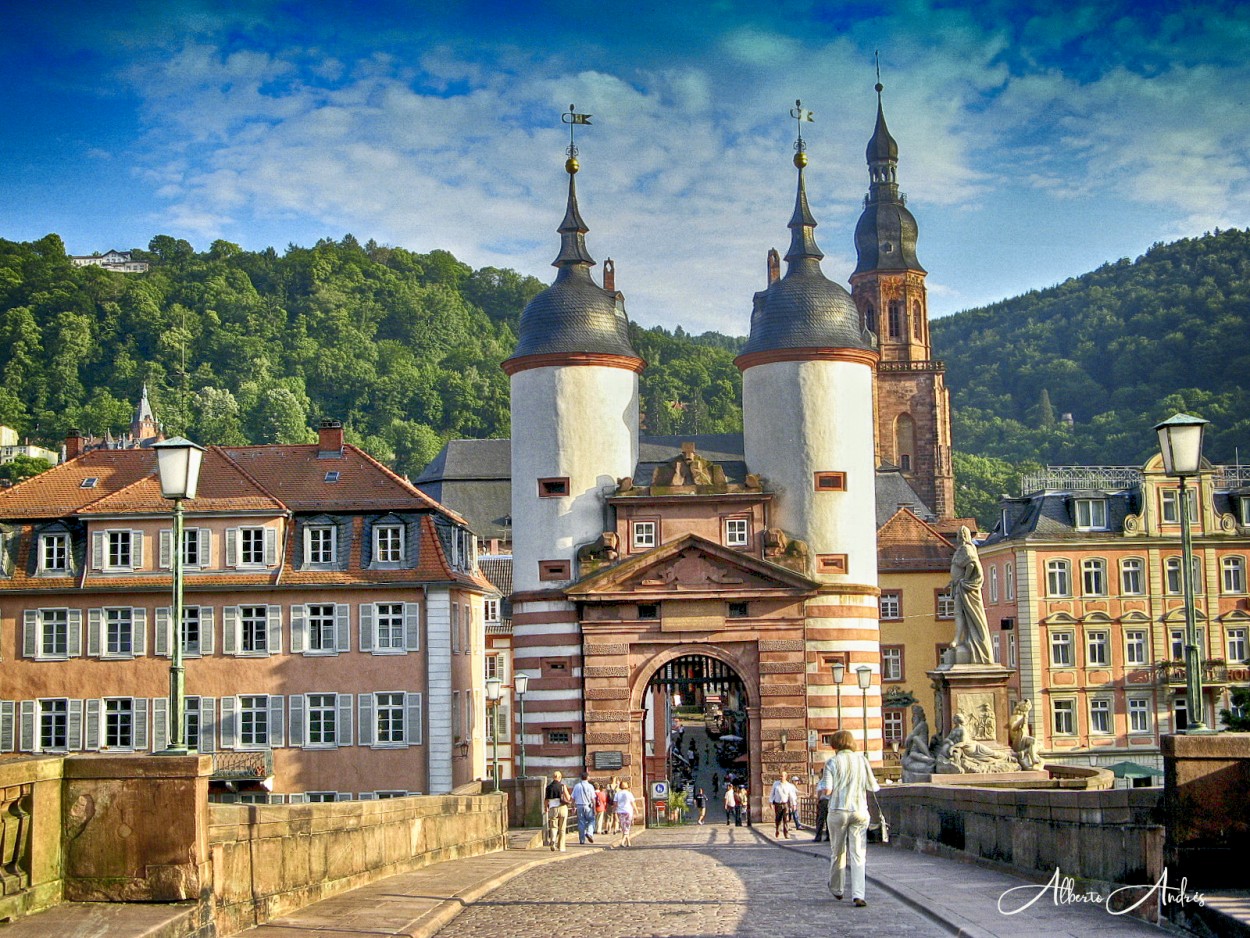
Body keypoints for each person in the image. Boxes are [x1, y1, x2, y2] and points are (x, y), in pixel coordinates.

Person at [820, 729, 880, 907]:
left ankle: (838, 889)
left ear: (835, 744)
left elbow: (827, 790)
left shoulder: (832, 762)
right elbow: (873, 787)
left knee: (837, 852)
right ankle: (858, 894)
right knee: (858, 854)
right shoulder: (862, 760)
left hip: (838, 810)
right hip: (859, 810)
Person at [948, 525, 992, 664]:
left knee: (961, 614)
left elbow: (973, 564)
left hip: (965, 588)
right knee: (959, 614)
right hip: (958, 586)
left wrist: (965, 580)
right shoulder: (961, 549)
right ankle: (961, 639)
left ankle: (958, 639)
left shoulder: (967, 548)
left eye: (960, 535)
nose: (958, 537)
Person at [545, 771, 571, 852]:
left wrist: (546, 807)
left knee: (553, 826)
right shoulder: (563, 786)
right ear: (560, 778)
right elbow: (568, 797)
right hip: (562, 808)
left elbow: (546, 800)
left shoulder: (548, 787)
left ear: (553, 777)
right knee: (562, 829)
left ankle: (553, 840)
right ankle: (561, 847)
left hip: (553, 809)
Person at [770, 771, 798, 838]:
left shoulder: (789, 786)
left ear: (786, 776)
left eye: (782, 776)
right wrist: (770, 802)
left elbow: (792, 796)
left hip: (785, 804)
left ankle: (786, 833)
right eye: (780, 776)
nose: (781, 777)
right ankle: (777, 829)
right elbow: (772, 793)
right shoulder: (776, 784)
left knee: (786, 819)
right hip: (778, 804)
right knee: (778, 819)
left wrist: (794, 804)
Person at [571, 772, 597, 844]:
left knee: (581, 822)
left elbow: (573, 798)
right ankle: (589, 833)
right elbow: (593, 799)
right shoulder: (590, 786)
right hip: (588, 806)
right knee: (591, 820)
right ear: (587, 777)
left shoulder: (577, 786)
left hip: (579, 806)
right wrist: (594, 809)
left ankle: (582, 840)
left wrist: (573, 806)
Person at [615, 780, 637, 847]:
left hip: (620, 811)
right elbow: (633, 802)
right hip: (628, 811)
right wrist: (636, 810)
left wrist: (615, 811)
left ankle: (628, 842)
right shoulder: (629, 793)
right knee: (626, 827)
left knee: (624, 827)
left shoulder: (617, 793)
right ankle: (622, 842)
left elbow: (615, 803)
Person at [812, 771, 831, 842]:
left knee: (820, 820)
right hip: (830, 801)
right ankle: (829, 836)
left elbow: (820, 792)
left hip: (823, 801)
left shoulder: (822, 781)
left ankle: (818, 837)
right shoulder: (832, 781)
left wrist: (817, 801)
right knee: (828, 820)